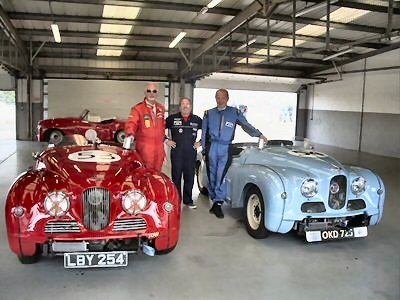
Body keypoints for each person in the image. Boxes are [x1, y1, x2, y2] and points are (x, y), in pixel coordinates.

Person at [201, 89, 268, 219]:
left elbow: (246, 125)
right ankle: (215, 199)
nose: (220, 100)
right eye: (218, 98)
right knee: (212, 174)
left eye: (222, 98)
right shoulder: (209, 114)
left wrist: (259, 134)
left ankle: (218, 202)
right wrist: (204, 150)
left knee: (221, 175)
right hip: (212, 147)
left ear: (227, 99)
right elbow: (204, 133)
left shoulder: (234, 113)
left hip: (226, 147)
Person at [165, 97, 202, 209]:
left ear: (190, 106)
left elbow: (208, 131)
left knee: (189, 177)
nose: (185, 106)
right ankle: (176, 200)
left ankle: (188, 200)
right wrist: (166, 140)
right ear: (180, 107)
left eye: (187, 104)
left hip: (191, 153)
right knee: (176, 177)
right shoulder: (172, 118)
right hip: (177, 153)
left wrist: (201, 142)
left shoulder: (197, 119)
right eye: (183, 104)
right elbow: (159, 128)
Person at [125, 82, 166, 172]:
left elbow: (162, 127)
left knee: (157, 176)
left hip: (159, 150)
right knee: (145, 175)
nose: (151, 94)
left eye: (154, 91)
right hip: (144, 149)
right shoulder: (138, 109)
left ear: (157, 93)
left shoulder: (161, 108)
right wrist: (130, 134)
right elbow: (131, 123)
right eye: (149, 91)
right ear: (145, 93)